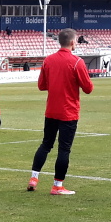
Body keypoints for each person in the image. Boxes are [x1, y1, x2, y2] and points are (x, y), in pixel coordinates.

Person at [28, 28, 94, 195]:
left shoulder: (48, 60)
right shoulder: (77, 62)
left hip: (51, 110)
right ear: (72, 42)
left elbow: (41, 85)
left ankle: (34, 178)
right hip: (68, 112)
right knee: (64, 149)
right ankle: (57, 185)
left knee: (46, 144)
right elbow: (88, 88)